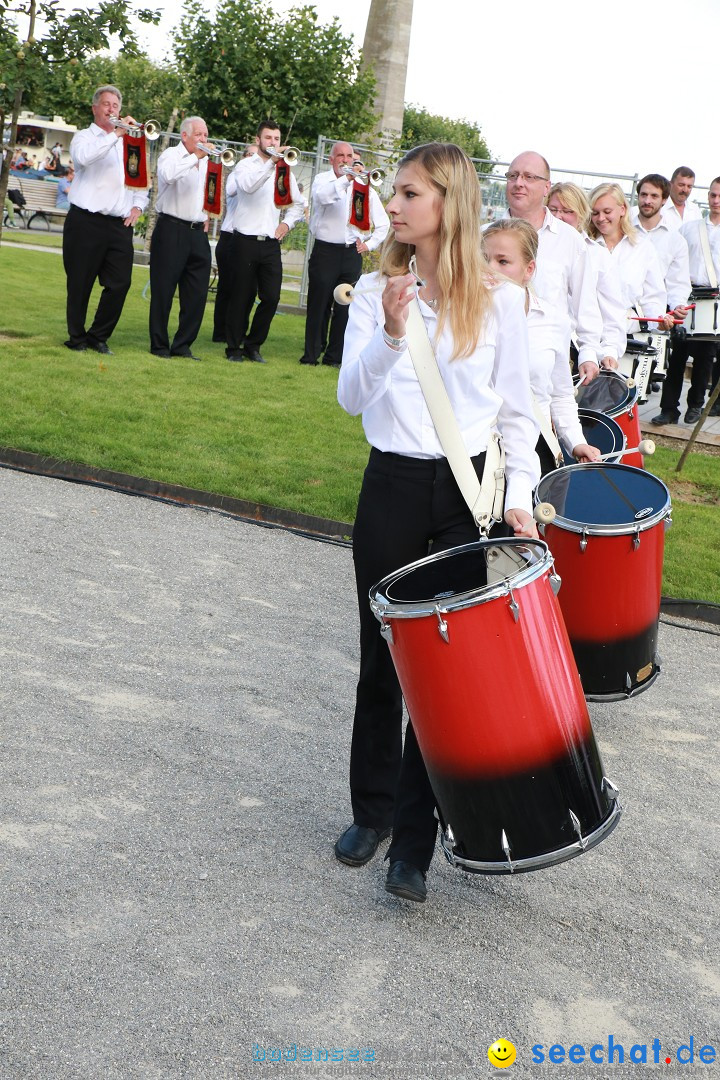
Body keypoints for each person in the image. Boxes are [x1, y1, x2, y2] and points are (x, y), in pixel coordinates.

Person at [336, 142, 540, 903]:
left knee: (443, 669)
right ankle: (372, 811)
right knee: (381, 658)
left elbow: (516, 413)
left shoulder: (500, 300)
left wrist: (518, 491)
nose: (393, 205)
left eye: (408, 193)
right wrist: (391, 334)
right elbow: (351, 399)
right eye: (394, 193)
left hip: (463, 494)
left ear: (446, 202)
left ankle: (415, 847)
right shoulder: (372, 290)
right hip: (389, 484)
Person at [482, 218, 600, 471]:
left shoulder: (553, 320)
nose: (490, 269)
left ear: (529, 269)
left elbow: (559, 393)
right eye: (484, 259)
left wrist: (576, 442)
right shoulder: (460, 318)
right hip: (477, 450)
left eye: (502, 261)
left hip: (535, 447)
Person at [499, 151, 604, 383]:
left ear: (547, 187)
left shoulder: (570, 240)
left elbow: (584, 302)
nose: (519, 183)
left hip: (547, 366)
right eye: (513, 176)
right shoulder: (483, 235)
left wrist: (588, 352)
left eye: (529, 177)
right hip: (492, 357)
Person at [62, 85, 148, 353]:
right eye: (107, 104)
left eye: (116, 106)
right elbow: (84, 159)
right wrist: (117, 134)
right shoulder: (84, 137)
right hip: (85, 221)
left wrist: (138, 207)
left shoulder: (130, 144)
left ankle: (98, 336)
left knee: (120, 283)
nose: (112, 110)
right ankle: (76, 337)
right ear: (95, 108)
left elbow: (141, 182)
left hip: (118, 224)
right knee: (80, 283)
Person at [298, 141, 390, 368]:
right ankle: (311, 355)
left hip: (350, 253)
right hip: (325, 251)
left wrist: (369, 245)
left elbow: (383, 223)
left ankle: (334, 357)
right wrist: (346, 179)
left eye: (349, 156)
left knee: (345, 307)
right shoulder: (323, 180)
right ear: (332, 159)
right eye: (340, 155)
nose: (345, 160)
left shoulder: (364, 187)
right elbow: (323, 198)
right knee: (319, 305)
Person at [224, 119, 305, 363]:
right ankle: (233, 347)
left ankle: (253, 345)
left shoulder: (284, 170)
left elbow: (299, 204)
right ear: (258, 140)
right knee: (242, 296)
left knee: (271, 297)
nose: (273, 143)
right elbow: (248, 187)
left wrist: (286, 223)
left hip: (270, 242)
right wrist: (271, 162)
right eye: (268, 138)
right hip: (245, 240)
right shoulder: (245, 165)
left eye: (277, 139)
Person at [653, 176, 720, 424]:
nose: (716, 200)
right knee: (678, 355)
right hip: (685, 294)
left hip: (713, 299)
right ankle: (669, 409)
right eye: (713, 195)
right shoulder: (690, 228)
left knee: (705, 358)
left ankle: (695, 405)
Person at [149, 116, 213, 361]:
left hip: (197, 232)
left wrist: (206, 214)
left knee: (197, 293)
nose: (204, 140)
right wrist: (195, 157)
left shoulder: (207, 162)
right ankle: (159, 345)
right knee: (163, 290)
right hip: (171, 228)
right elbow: (168, 175)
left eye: (206, 135)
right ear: (184, 135)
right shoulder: (170, 155)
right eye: (199, 135)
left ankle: (183, 345)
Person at [546, 182, 627, 369]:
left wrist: (609, 351)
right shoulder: (535, 247)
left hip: (577, 350)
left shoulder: (598, 255)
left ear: (581, 214)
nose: (558, 216)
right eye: (553, 209)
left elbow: (612, 311)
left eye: (567, 211)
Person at [588, 184, 671, 342]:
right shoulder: (584, 245)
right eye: (595, 213)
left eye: (607, 212)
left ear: (623, 210)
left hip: (627, 337)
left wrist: (659, 321)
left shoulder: (642, 247)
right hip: (585, 336)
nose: (600, 218)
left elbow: (652, 296)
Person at [212, 144, 256, 344]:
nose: (253, 158)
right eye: (249, 155)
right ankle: (220, 332)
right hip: (230, 236)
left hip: (250, 238)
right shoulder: (237, 174)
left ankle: (239, 330)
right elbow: (230, 191)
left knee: (248, 290)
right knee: (227, 287)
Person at [630, 174, 691, 317]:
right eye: (643, 195)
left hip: (656, 315)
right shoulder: (622, 231)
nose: (647, 201)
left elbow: (678, 282)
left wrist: (678, 305)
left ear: (664, 200)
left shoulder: (676, 241)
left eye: (654, 196)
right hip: (622, 311)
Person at [661, 167, 702, 231]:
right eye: (681, 185)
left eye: (689, 186)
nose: (685, 190)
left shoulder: (695, 210)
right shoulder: (660, 207)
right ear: (670, 184)